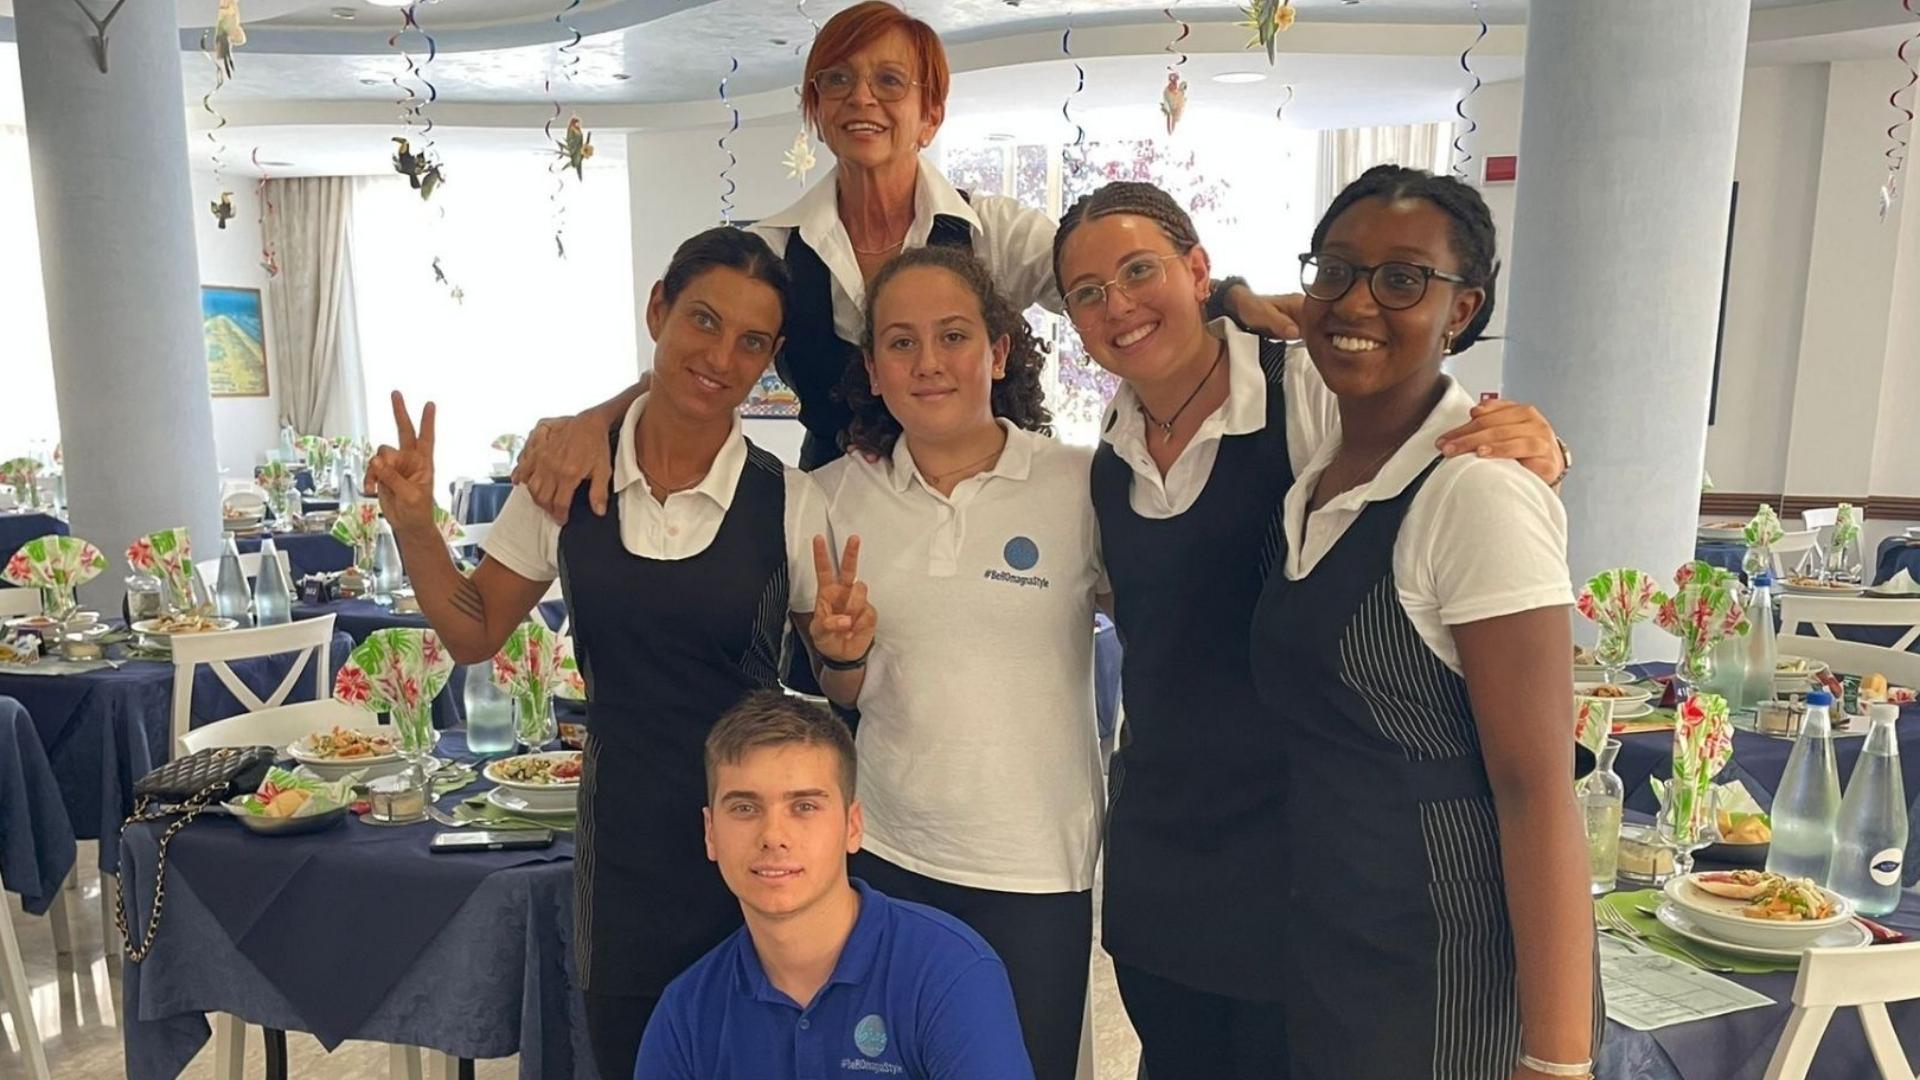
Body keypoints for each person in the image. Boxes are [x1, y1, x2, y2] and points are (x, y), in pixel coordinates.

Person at [1050, 181, 1568, 1080]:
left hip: (1306, 874)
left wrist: (1542, 451)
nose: (1119, 306)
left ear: (1198, 271)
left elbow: (1431, 442)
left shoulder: (1310, 396)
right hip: (1164, 864)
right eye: (1087, 293)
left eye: (1141, 271)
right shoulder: (1104, 454)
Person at [363, 227, 850, 1080]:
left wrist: (848, 652)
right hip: (625, 844)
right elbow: (473, 628)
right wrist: (413, 524)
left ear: (769, 360)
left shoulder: (791, 501)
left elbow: (838, 682)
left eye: (751, 343)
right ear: (657, 309)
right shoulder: (563, 486)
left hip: (759, 846)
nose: (720, 356)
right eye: (702, 320)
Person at [510, 0, 1302, 502]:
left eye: (890, 82)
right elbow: (701, 362)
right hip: (838, 508)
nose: (863, 98)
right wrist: (598, 418)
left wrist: (1224, 297)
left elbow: (1110, 297)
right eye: (838, 81)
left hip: (983, 507)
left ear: (931, 112)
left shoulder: (990, 232)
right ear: (814, 110)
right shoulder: (772, 249)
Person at [1250, 164, 1600, 1079]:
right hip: (1337, 948)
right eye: (1335, 269)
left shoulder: (1478, 495)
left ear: (1462, 309)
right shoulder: (1318, 477)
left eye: (1403, 278)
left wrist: (1559, 1060)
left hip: (1452, 974)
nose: (1356, 300)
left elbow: (1536, 788)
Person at [810, 245, 1105, 1079]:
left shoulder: (1082, 486)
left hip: (1035, 865)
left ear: (999, 351)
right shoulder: (831, 496)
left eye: (953, 336)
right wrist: (842, 656)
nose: (928, 363)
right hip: (884, 855)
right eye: (900, 343)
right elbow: (848, 690)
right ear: (872, 369)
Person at [636, 690, 1034, 1080]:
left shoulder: (949, 971)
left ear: (852, 826)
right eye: (745, 808)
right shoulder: (685, 1013)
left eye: (804, 807)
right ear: (710, 833)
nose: (773, 835)